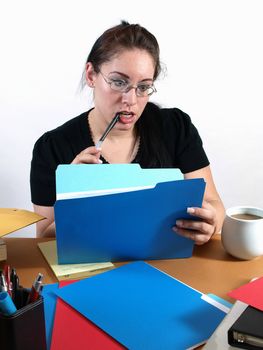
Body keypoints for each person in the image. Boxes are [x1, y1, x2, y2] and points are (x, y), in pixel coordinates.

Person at [30, 20, 225, 243]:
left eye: (143, 87)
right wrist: (74, 199)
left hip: (167, 266)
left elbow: (214, 205)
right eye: (118, 82)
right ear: (91, 74)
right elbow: (42, 239)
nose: (130, 100)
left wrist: (211, 224)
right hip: (92, 270)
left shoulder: (175, 127)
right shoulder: (52, 147)